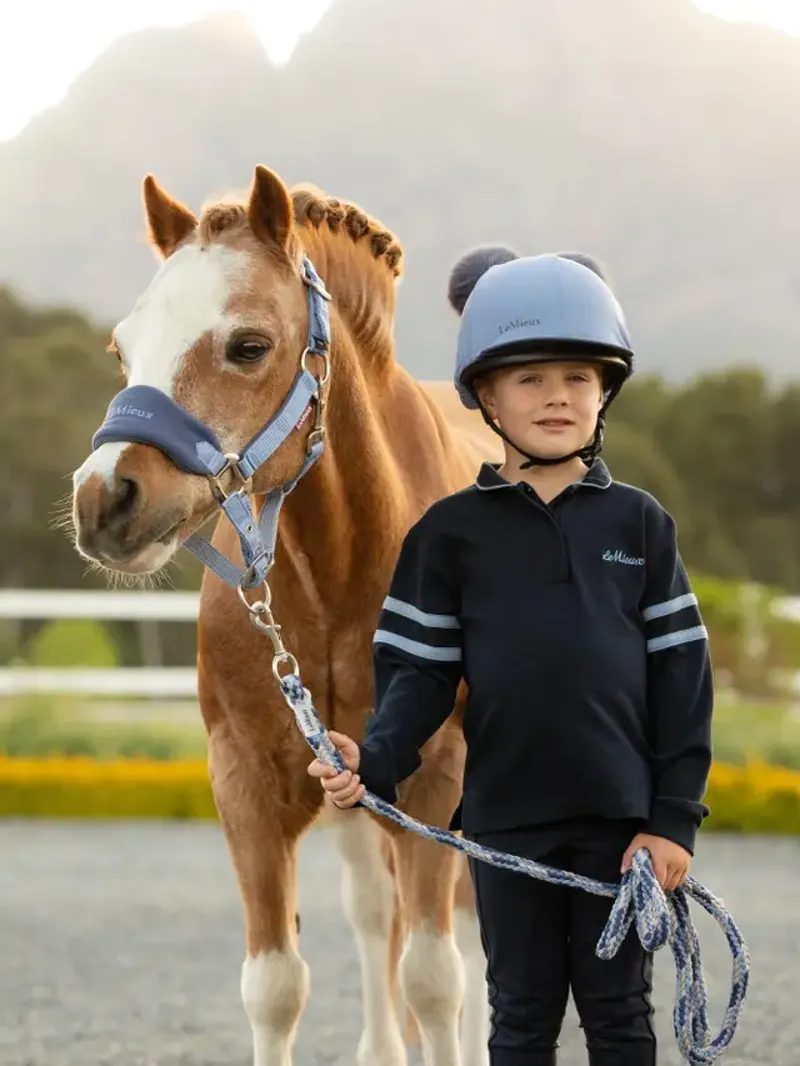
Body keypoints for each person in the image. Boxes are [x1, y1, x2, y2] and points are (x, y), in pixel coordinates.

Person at [307, 247, 714, 1066]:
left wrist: (671, 822)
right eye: (529, 378)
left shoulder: (641, 526)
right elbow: (417, 677)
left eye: (578, 375)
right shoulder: (449, 536)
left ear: (606, 392)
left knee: (621, 1017)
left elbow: (683, 681)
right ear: (485, 396)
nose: (557, 395)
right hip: (506, 825)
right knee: (520, 1016)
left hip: (622, 828)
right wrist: (374, 760)